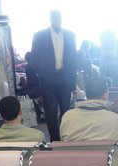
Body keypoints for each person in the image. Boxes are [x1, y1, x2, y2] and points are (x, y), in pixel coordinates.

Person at [30, 10, 77, 141]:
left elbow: (73, 59)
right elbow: (33, 58)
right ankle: (55, 140)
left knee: (66, 112)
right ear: (50, 19)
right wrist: (42, 74)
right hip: (47, 79)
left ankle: (66, 138)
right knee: (50, 112)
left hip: (65, 78)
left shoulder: (70, 35)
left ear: (62, 19)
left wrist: (72, 82)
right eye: (54, 17)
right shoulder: (39, 36)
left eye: (59, 17)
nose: (57, 20)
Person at [60, 77, 118, 144]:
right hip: (108, 154)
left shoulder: (67, 117)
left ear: (86, 94)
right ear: (105, 95)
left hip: (73, 154)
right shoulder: (117, 121)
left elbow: (63, 142)